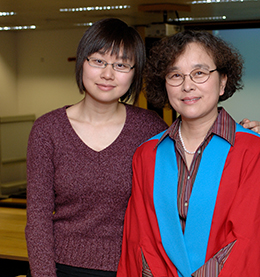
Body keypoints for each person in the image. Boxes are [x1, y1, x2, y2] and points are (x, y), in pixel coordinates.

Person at [117, 30, 260, 277]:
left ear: (222, 82)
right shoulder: (147, 155)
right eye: (175, 75)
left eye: (199, 73)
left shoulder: (254, 151)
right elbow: (140, 239)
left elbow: (253, 240)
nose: (187, 85)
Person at [25, 18, 169, 277]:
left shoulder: (151, 128)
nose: (108, 74)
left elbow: (192, 160)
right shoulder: (47, 130)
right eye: (99, 61)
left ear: (135, 73)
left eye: (121, 65)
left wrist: (245, 133)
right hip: (62, 267)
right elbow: (38, 218)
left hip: (132, 267)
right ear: (82, 62)